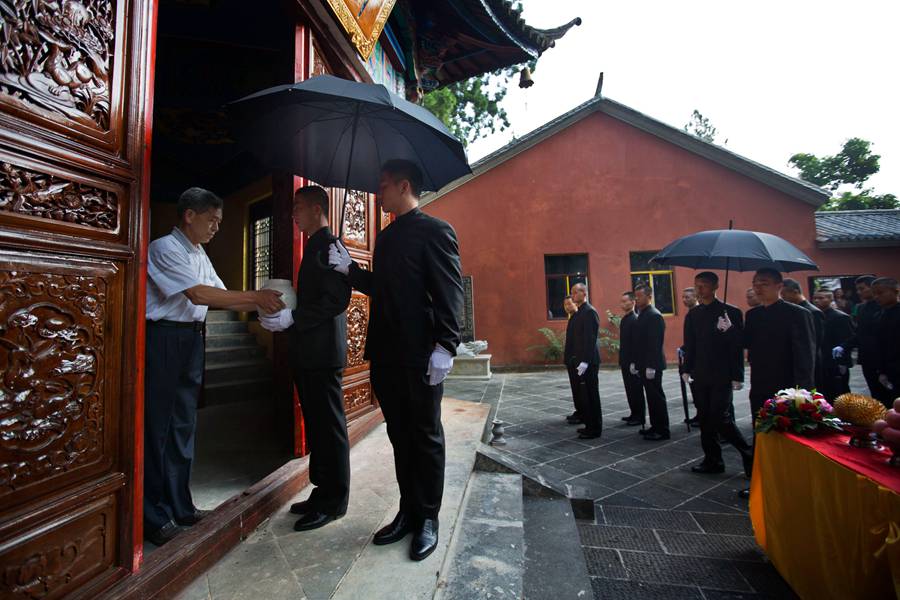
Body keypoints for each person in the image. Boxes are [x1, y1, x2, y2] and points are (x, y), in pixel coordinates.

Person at [328, 159, 463, 562]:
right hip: (385, 351)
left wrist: (446, 346)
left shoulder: (436, 231)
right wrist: (349, 270)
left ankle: (429, 518)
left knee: (425, 436)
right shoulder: (385, 239)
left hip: (422, 355)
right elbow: (381, 287)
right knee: (399, 436)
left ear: (405, 186)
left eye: (383, 186)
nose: (378, 193)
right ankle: (408, 510)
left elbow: (449, 291)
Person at [144, 187, 285, 546]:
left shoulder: (199, 253)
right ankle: (152, 514)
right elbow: (199, 295)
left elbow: (219, 294)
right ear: (189, 215)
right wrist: (256, 298)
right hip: (163, 339)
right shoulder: (163, 248)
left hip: (192, 339)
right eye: (212, 220)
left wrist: (262, 305)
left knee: (183, 425)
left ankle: (181, 505)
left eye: (220, 222)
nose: (216, 228)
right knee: (157, 427)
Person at [259, 185, 352, 531]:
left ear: (316, 209)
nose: (293, 214)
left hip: (324, 352)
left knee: (330, 427)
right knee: (315, 425)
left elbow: (336, 300)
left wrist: (293, 318)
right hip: (307, 351)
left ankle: (335, 500)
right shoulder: (313, 245)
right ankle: (322, 489)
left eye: (298, 207)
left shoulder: (330, 246)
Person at [740, 267, 815, 498]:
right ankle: (761, 482)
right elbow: (745, 343)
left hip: (788, 385)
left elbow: (805, 355)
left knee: (788, 435)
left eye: (763, 283)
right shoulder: (753, 315)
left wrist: (803, 391)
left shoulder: (798, 314)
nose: (758, 287)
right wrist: (727, 328)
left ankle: (791, 482)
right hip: (760, 382)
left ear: (779, 286)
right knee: (761, 433)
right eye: (755, 283)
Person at [682, 272, 753, 475]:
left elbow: (737, 346)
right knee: (704, 417)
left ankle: (747, 452)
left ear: (715, 286)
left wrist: (737, 375)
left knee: (720, 417)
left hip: (721, 373)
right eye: (697, 286)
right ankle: (713, 460)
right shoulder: (693, 314)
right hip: (700, 372)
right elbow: (691, 344)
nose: (699, 290)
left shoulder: (730, 312)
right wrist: (687, 369)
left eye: (704, 286)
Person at [835, 276, 887, 401]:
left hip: (884, 357)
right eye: (857, 289)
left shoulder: (884, 307)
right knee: (875, 393)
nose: (859, 292)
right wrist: (844, 346)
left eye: (862, 289)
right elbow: (860, 333)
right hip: (867, 357)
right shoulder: (861, 308)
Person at [564, 283, 602, 439]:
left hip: (589, 363)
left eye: (575, 293)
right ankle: (588, 424)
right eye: (572, 293)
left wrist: (585, 361)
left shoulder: (590, 312)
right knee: (585, 395)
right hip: (580, 361)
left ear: (584, 293)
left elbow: (590, 339)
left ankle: (595, 429)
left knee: (592, 395)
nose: (572, 296)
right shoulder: (580, 313)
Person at [633, 283, 669, 441]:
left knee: (656, 398)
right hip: (643, 363)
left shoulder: (654, 315)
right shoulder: (642, 313)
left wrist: (651, 366)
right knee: (651, 398)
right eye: (635, 296)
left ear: (649, 296)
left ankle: (662, 430)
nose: (636, 299)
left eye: (639, 296)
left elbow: (655, 343)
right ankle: (655, 426)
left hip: (652, 364)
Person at [781, 278, 824, 391]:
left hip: (811, 364)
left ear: (795, 292)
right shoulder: (792, 311)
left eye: (784, 294)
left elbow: (816, 342)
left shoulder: (812, 312)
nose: (782, 298)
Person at [812, 289, 854, 401]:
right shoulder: (814, 315)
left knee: (840, 392)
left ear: (831, 299)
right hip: (821, 360)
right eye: (815, 298)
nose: (817, 301)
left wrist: (843, 363)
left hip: (835, 361)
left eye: (821, 298)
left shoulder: (841, 317)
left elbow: (848, 340)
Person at [618, 291, 645, 426]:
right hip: (625, 360)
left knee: (636, 389)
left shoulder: (635, 319)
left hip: (632, 361)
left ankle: (639, 416)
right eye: (621, 301)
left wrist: (634, 362)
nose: (622, 304)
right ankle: (633, 413)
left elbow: (637, 343)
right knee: (629, 388)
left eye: (625, 301)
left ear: (633, 302)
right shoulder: (625, 318)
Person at [873, 277, 900, 408]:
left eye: (880, 293)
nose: (877, 297)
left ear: (896, 291)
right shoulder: (879, 315)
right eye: (875, 294)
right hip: (885, 367)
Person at [679, 286, 700, 426]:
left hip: (699, 359)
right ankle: (700, 414)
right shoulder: (690, 314)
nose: (684, 300)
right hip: (690, 357)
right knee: (695, 390)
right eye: (683, 297)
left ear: (696, 297)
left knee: (699, 389)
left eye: (687, 297)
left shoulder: (699, 313)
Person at [563, 294, 583, 425]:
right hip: (571, 360)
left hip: (578, 360)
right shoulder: (572, 318)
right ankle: (579, 411)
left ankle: (583, 413)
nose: (567, 307)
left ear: (576, 303)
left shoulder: (580, 318)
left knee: (580, 389)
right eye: (565, 305)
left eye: (570, 303)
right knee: (575, 388)